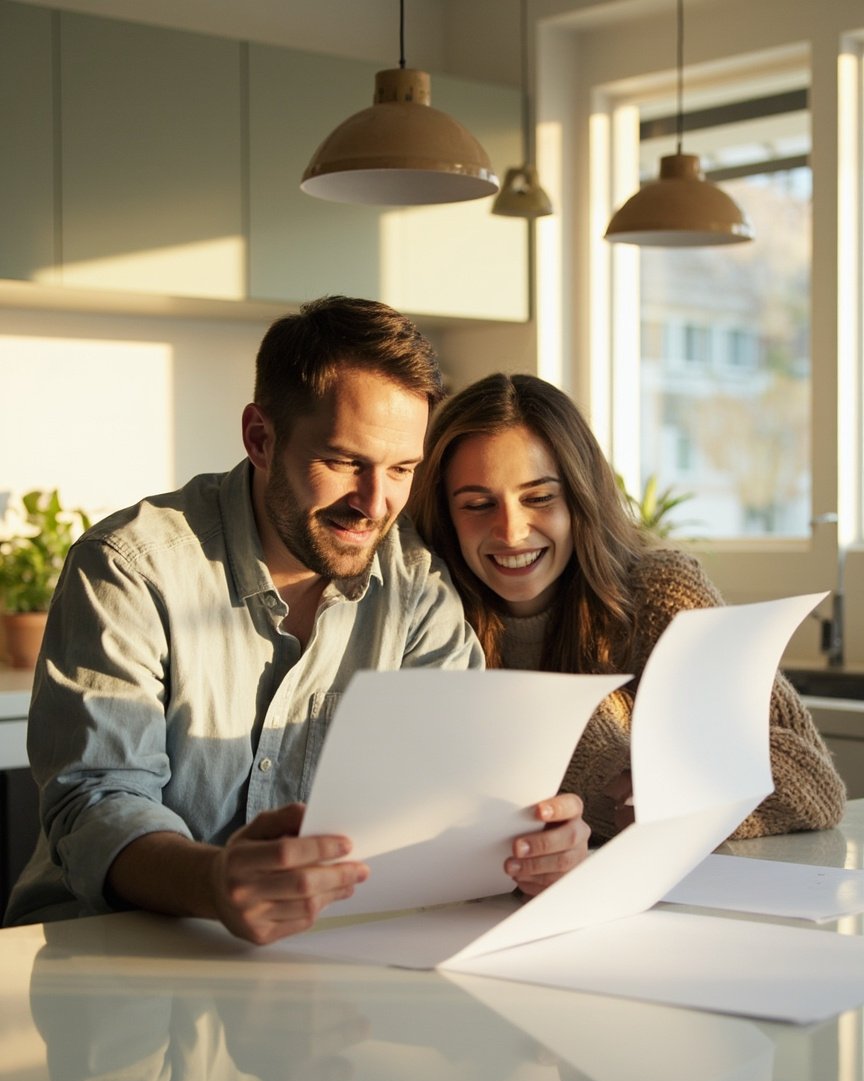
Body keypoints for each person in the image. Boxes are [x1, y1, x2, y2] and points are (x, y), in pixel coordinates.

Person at [5, 301, 590, 942]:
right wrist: (215, 881)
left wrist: (528, 845)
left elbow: (456, 798)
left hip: (329, 954)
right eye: (344, 462)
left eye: (401, 470)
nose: (375, 504)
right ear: (260, 438)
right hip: (109, 947)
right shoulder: (131, 568)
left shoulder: (417, 586)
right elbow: (95, 801)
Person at [409, 371, 846, 843]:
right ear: (446, 515)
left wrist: (671, 795)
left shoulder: (660, 594)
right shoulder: (427, 615)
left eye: (539, 498)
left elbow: (815, 786)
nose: (511, 531)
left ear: (581, 497)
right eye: (477, 504)